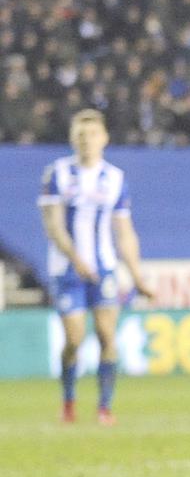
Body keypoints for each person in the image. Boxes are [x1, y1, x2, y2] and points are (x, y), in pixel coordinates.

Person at [38, 109, 155, 425]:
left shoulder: (114, 178)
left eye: (92, 135)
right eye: (80, 135)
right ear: (72, 140)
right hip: (67, 270)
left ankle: (104, 407)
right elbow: (53, 226)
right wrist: (77, 259)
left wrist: (136, 275)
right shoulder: (57, 174)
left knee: (106, 335)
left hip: (103, 269)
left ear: (104, 138)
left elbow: (125, 232)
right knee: (74, 340)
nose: (86, 141)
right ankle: (69, 400)